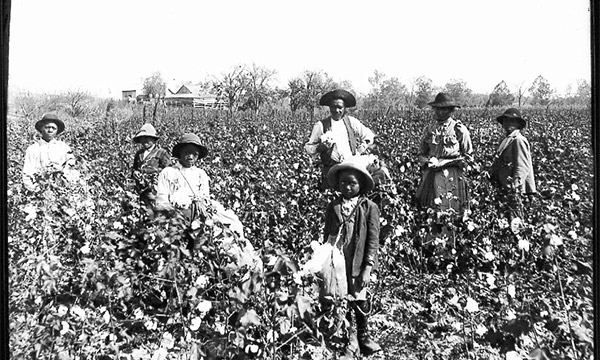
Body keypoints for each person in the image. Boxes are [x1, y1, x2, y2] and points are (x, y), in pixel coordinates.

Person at [323, 161, 381, 358]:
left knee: (359, 297)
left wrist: (367, 267)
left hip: (358, 261)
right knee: (342, 296)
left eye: (352, 183)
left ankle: (364, 336)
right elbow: (326, 235)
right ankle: (351, 336)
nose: (347, 187)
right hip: (339, 260)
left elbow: (373, 239)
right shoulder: (333, 206)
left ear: (361, 185)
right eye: (343, 183)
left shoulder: (369, 207)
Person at [154, 133, 245, 238]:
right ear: (180, 152)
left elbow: (206, 198)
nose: (191, 157)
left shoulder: (201, 174)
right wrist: (174, 214)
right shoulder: (168, 172)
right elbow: (161, 200)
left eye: (195, 154)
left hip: (199, 219)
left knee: (233, 225)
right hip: (176, 219)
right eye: (187, 153)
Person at [415, 93, 473, 247]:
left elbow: (468, 157)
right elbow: (421, 154)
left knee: (451, 211)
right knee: (432, 209)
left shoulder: (459, 129)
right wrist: (428, 161)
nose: (440, 112)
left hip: (453, 176)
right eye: (437, 109)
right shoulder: (429, 129)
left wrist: (446, 163)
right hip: (432, 176)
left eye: (444, 109)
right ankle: (432, 247)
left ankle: (450, 248)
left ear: (451, 111)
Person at [305, 89, 375, 190]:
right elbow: (309, 147)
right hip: (330, 170)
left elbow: (369, 135)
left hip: (350, 168)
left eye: (339, 107)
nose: (336, 110)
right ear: (329, 108)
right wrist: (319, 148)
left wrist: (363, 146)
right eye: (333, 107)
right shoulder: (321, 125)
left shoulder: (351, 122)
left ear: (344, 108)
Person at [489, 108, 536, 221]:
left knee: (515, 223)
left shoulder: (519, 140)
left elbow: (522, 168)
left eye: (512, 121)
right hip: (505, 189)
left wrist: (513, 189)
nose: (508, 123)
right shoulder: (508, 139)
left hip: (515, 191)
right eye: (506, 121)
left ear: (518, 124)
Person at [22, 112, 76, 191]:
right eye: (47, 127)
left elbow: (72, 168)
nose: (50, 130)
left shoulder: (64, 148)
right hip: (38, 189)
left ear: (57, 130)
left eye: (53, 128)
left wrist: (61, 171)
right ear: (41, 128)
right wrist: (35, 190)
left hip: (61, 189)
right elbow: (27, 172)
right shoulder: (32, 149)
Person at [131, 123, 171, 205]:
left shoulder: (162, 153)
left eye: (147, 138)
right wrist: (135, 173)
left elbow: (168, 173)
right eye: (142, 138)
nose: (144, 141)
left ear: (153, 139)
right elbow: (134, 169)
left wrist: (153, 175)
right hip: (140, 190)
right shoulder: (139, 154)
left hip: (155, 192)